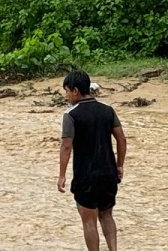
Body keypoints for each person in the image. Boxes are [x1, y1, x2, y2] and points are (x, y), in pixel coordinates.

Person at [58, 70, 126, 251]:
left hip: (85, 176)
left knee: (89, 222)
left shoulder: (71, 115)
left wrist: (62, 175)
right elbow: (121, 139)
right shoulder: (108, 110)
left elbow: (66, 146)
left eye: (66, 91)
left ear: (75, 91)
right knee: (107, 216)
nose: (66, 96)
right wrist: (119, 165)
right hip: (108, 174)